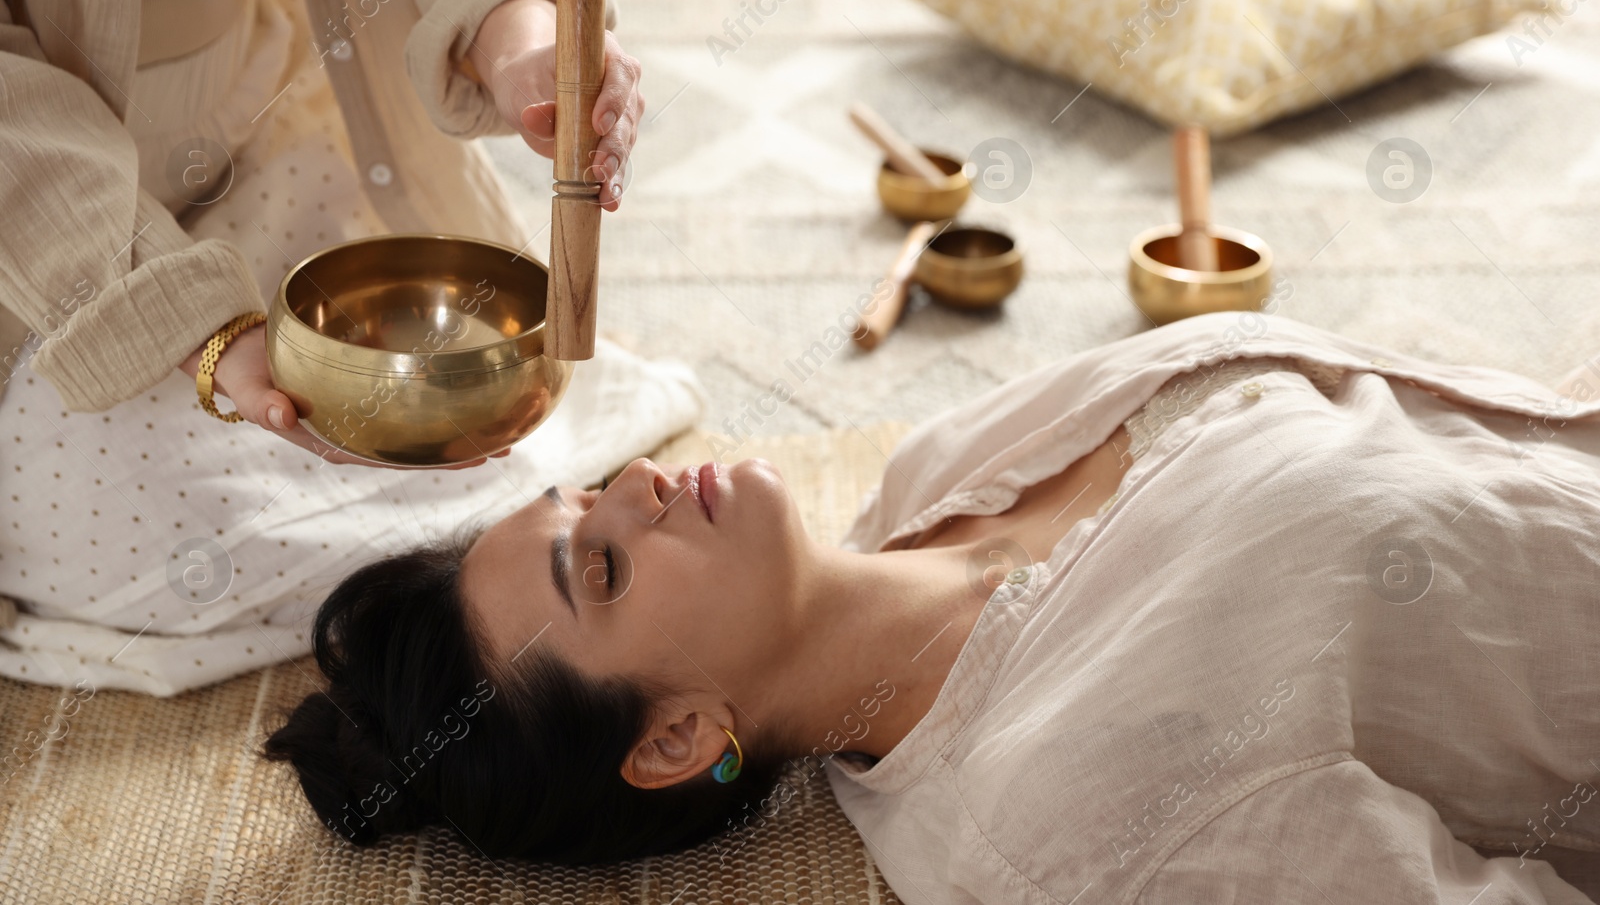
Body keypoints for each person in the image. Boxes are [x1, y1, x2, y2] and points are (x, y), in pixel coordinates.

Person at [264, 310, 1600, 902]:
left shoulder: (929, 476)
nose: (641, 491)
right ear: (676, 736)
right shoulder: (1078, 820)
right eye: (601, 570)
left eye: (592, 495)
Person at [0, 0, 704, 696]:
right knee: (97, 519)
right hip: (35, 205)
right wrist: (190, 322)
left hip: (254, 111)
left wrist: (522, 33)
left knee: (478, 429)